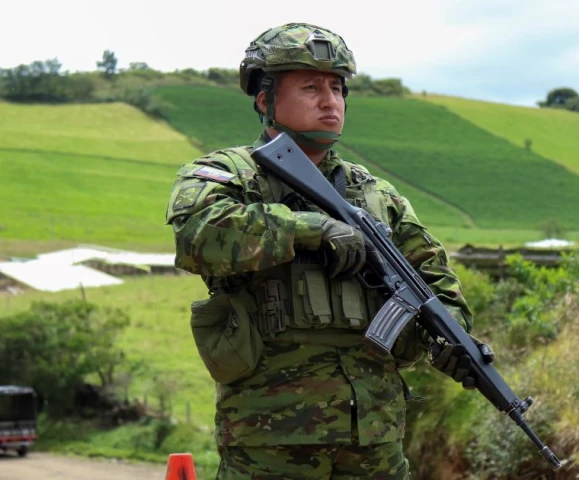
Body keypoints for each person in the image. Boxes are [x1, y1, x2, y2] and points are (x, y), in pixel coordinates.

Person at [166, 23, 480, 479]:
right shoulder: (227, 174)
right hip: (271, 430)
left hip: (375, 433)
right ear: (264, 99)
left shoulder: (377, 195)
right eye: (311, 87)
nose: (329, 100)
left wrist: (455, 338)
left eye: (337, 88)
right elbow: (198, 234)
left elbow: (432, 274)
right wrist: (310, 228)